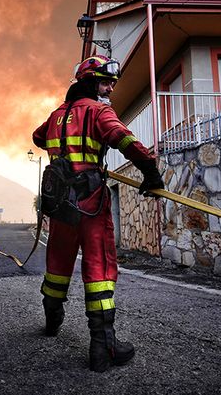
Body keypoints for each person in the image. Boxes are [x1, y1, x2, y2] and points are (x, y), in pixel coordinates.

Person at [32, 54, 164, 372]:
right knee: (99, 267)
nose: (110, 89)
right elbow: (125, 139)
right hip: (90, 201)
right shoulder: (98, 110)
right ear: (90, 82)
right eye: (105, 82)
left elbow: (37, 137)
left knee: (58, 261)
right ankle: (103, 347)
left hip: (61, 202)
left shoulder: (56, 114)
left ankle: (52, 317)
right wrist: (151, 172)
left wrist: (62, 147)